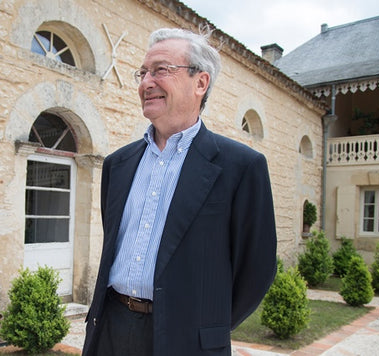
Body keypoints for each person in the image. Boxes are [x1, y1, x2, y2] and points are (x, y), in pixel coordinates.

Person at [82, 27, 277, 356]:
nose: (146, 83)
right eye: (142, 73)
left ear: (200, 83)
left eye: (161, 70)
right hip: (110, 331)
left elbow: (256, 270)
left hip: (187, 341)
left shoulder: (241, 167)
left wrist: (204, 325)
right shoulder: (118, 164)